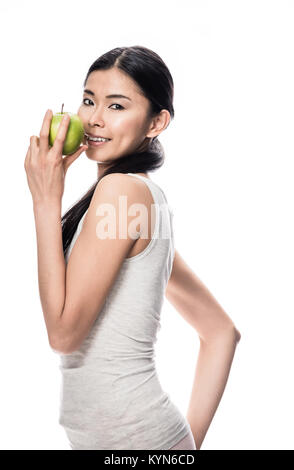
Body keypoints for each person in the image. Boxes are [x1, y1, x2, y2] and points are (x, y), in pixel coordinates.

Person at [25, 45, 241, 450]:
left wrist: (44, 200)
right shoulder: (134, 203)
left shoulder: (121, 192)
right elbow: (221, 331)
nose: (94, 118)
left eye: (117, 106)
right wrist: (183, 448)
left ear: (156, 122)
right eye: (89, 100)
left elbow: (63, 334)